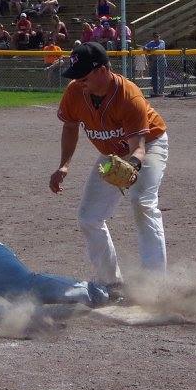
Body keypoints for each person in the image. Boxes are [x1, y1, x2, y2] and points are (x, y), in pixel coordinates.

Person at [49, 42, 169, 290]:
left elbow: (138, 148)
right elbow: (70, 126)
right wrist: (64, 165)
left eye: (84, 76)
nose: (79, 81)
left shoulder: (129, 96)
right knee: (89, 217)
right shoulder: (75, 92)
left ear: (102, 70)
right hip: (112, 152)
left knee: (142, 202)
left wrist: (132, 166)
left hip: (149, 143)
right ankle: (111, 284)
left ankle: (155, 286)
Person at [143, 32, 167, 97]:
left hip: (161, 61)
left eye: (157, 36)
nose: (156, 38)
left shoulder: (162, 42)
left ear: (159, 37)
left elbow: (158, 48)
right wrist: (149, 49)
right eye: (154, 37)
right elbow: (144, 47)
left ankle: (161, 91)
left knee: (161, 76)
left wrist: (150, 49)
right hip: (154, 61)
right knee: (154, 77)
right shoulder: (151, 42)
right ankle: (155, 91)